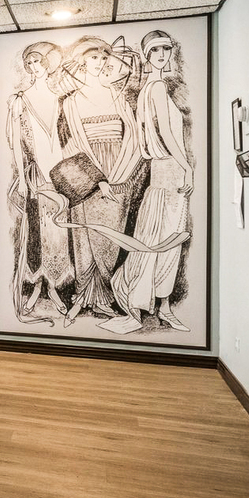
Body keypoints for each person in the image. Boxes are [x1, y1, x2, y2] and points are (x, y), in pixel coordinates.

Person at [105, 31, 194, 333]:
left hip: (163, 174)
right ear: (146, 55)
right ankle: (156, 305)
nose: (162, 54)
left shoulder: (149, 88)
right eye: (155, 50)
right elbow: (165, 133)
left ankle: (161, 305)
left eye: (166, 48)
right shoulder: (156, 87)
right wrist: (187, 167)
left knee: (162, 241)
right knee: (164, 242)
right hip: (169, 171)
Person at [55, 36, 141, 324]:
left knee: (109, 237)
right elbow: (74, 146)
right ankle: (84, 297)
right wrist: (98, 179)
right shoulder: (71, 102)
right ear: (82, 62)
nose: (100, 62)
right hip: (88, 175)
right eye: (94, 57)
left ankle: (105, 296)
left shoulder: (118, 96)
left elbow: (133, 137)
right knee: (85, 236)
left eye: (104, 57)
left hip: (119, 171)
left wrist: (119, 174)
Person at [5, 42, 73, 322]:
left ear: (48, 65)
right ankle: (37, 286)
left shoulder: (60, 99)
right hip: (35, 175)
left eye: (38, 62)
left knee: (58, 232)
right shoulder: (20, 99)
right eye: (30, 63)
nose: (34, 68)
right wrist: (22, 178)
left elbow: (67, 139)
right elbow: (16, 145)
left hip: (59, 173)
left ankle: (54, 287)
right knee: (36, 232)